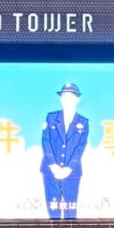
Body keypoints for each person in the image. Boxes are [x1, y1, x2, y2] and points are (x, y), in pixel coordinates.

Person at [39, 82, 89, 219]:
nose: (66, 99)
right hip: (50, 170)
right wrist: (53, 165)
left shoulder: (83, 122)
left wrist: (68, 168)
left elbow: (80, 147)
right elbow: (46, 142)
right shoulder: (51, 118)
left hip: (72, 172)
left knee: (70, 209)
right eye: (64, 96)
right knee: (53, 208)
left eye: (70, 96)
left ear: (77, 99)